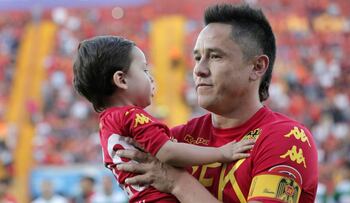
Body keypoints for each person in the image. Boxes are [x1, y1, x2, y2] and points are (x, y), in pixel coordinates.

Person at [115, 3, 318, 203]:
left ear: (257, 66)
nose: (199, 70)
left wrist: (177, 182)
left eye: (215, 56)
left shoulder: (287, 139)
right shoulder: (176, 141)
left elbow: (173, 181)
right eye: (197, 58)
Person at [72, 36, 254, 202]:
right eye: (144, 69)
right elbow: (168, 152)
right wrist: (221, 153)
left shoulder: (107, 123)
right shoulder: (131, 116)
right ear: (122, 80)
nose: (150, 77)